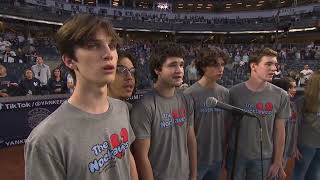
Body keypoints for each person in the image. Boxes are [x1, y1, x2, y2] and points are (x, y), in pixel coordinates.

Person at [24, 14, 138, 180]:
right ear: (70, 61)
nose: (109, 54)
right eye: (93, 46)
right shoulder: (45, 140)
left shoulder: (122, 109)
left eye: (112, 45)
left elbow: (127, 161)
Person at [130, 45, 197, 180]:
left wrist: (193, 175)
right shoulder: (145, 106)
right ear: (157, 70)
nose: (179, 70)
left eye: (181, 65)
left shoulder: (186, 100)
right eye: (172, 65)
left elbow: (191, 141)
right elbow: (141, 156)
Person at [226, 48, 291, 180]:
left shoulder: (281, 95)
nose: (274, 68)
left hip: (263, 157)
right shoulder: (233, 93)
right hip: (236, 155)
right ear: (253, 66)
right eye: (268, 64)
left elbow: (280, 131)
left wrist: (278, 161)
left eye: (275, 64)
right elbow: (226, 127)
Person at [184, 47, 229, 180]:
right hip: (196, 160)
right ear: (203, 67)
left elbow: (226, 127)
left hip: (218, 158)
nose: (220, 69)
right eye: (215, 65)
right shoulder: (189, 94)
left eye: (222, 65)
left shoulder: (225, 93)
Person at [292, 70, 320, 180]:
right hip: (306, 145)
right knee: (299, 174)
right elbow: (294, 125)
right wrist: (293, 146)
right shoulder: (302, 101)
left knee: (315, 175)